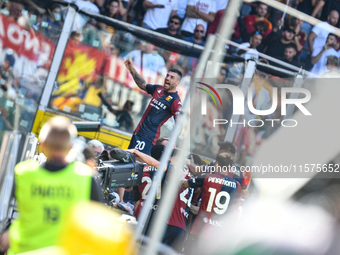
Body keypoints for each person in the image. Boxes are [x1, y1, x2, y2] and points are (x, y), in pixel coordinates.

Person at [7, 116, 101, 254]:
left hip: (23, 250)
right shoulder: (86, 177)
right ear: (70, 148)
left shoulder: (22, 172)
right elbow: (97, 223)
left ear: (43, 144)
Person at [181, 153, 241, 252]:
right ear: (230, 168)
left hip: (199, 229)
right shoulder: (237, 185)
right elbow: (237, 200)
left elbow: (184, 185)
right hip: (217, 234)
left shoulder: (206, 177)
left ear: (217, 164)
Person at [124, 58, 182, 155]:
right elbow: (143, 84)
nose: (167, 78)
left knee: (138, 164)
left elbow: (179, 123)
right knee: (128, 160)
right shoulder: (158, 89)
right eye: (167, 76)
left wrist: (173, 140)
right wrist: (131, 68)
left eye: (172, 77)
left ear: (177, 82)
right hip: (137, 133)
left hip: (148, 138)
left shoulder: (175, 101)